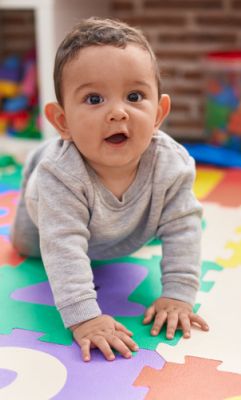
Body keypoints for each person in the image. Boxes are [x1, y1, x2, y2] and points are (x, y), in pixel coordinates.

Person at [10, 17, 208, 362]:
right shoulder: (58, 177)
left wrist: (178, 294)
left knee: (169, 223)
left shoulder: (172, 165)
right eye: (94, 99)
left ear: (159, 112)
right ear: (63, 121)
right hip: (49, 212)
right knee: (30, 248)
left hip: (124, 228)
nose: (118, 112)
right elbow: (63, 249)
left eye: (134, 96)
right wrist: (85, 318)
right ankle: (40, 155)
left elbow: (183, 229)